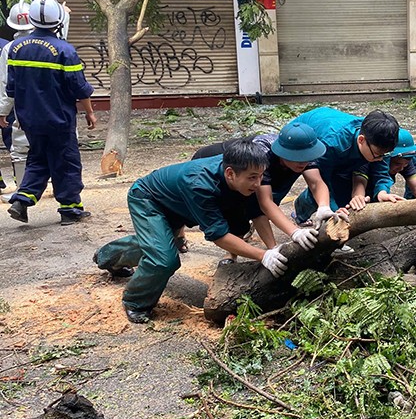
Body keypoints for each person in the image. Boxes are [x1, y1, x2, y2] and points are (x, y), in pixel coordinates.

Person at [94, 139, 315, 324]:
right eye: (253, 178)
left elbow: (257, 212)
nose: (259, 183)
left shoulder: (241, 175)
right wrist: (263, 255)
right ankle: (135, 302)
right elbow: (219, 237)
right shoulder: (200, 184)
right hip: (149, 199)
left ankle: (106, 257)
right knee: (164, 259)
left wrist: (273, 247)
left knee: (156, 244)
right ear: (230, 174)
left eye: (261, 176)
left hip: (178, 203)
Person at [3, 0, 96, 225]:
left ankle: (22, 200)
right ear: (58, 21)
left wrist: (7, 112)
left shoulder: (16, 49)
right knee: (66, 161)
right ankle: (70, 209)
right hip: (59, 119)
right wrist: (90, 112)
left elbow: (12, 88)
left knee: (38, 159)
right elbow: (79, 88)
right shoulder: (65, 50)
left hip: (29, 120)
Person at [181, 123, 334, 260]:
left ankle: (261, 247)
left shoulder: (304, 150)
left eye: (307, 158)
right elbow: (264, 204)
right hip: (215, 164)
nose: (304, 162)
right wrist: (294, 232)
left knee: (252, 205)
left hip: (255, 173)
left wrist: (324, 207)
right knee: (230, 208)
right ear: (283, 153)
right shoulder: (262, 157)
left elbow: (316, 183)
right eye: (298, 158)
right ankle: (228, 251)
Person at [289, 108, 400, 223]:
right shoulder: (332, 143)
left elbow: (381, 172)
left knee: (347, 200)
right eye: (377, 155)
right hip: (303, 135)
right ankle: (300, 214)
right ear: (361, 140)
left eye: (384, 155)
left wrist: (382, 192)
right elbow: (321, 181)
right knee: (322, 192)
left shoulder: (381, 138)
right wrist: (333, 210)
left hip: (341, 140)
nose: (381, 159)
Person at [0, 0, 33, 198]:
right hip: (51, 105)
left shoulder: (9, 49)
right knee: (54, 147)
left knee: (19, 149)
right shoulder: (52, 44)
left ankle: (23, 191)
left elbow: (6, 84)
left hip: (19, 106)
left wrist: (2, 111)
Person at [350, 129, 416, 207]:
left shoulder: (404, 159)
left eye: (405, 165)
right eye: (397, 164)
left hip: (380, 193)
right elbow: (359, 182)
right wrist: (358, 198)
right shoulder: (368, 157)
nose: (401, 168)